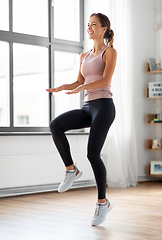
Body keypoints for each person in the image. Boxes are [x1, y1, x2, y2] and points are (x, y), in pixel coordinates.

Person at [46, 13, 117, 226]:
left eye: (94, 24)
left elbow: (105, 79)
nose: (90, 27)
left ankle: (102, 202)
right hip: (87, 106)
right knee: (55, 125)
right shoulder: (84, 56)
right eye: (88, 25)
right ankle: (71, 169)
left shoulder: (109, 52)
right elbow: (79, 81)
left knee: (93, 153)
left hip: (104, 106)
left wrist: (82, 87)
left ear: (104, 29)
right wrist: (62, 87)